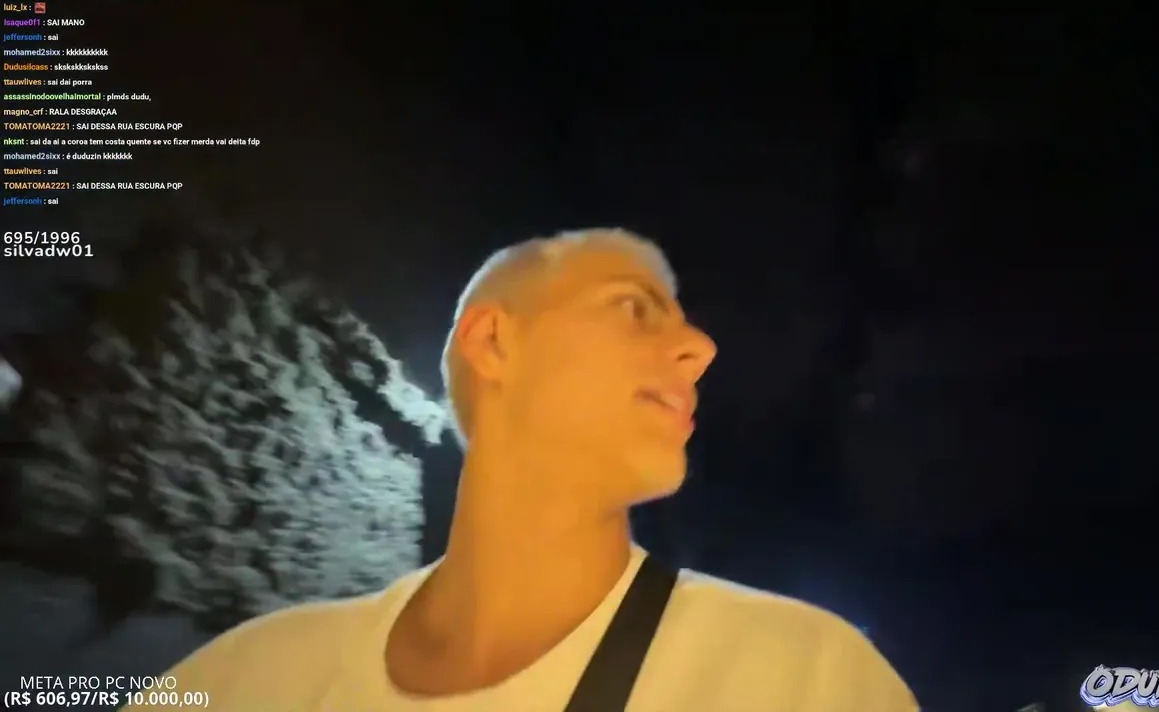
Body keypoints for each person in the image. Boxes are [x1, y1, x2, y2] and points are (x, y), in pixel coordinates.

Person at [126, 228, 918, 711]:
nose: (700, 349)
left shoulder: (803, 679)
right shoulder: (249, 680)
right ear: (495, 344)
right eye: (634, 308)